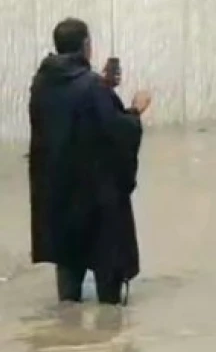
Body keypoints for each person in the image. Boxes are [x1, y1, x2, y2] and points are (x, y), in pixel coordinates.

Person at [28, 17, 152, 305]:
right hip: (96, 200)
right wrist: (135, 110)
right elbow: (116, 132)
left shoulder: (42, 83)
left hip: (58, 195)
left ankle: (67, 340)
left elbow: (69, 119)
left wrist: (104, 87)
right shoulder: (92, 88)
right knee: (108, 278)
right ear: (86, 46)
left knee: (68, 275)